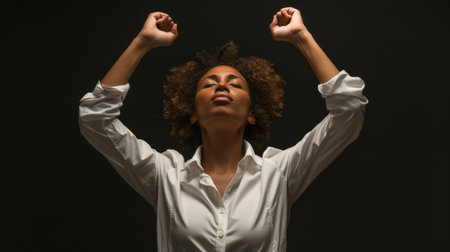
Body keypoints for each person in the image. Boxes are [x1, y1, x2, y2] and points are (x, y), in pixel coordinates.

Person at [79, 7, 368, 251]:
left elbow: (349, 111)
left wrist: (301, 38)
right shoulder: (166, 176)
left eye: (235, 83)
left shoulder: (278, 173)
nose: (221, 85)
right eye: (208, 83)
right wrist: (142, 42)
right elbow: (95, 119)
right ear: (192, 114)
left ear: (252, 114)